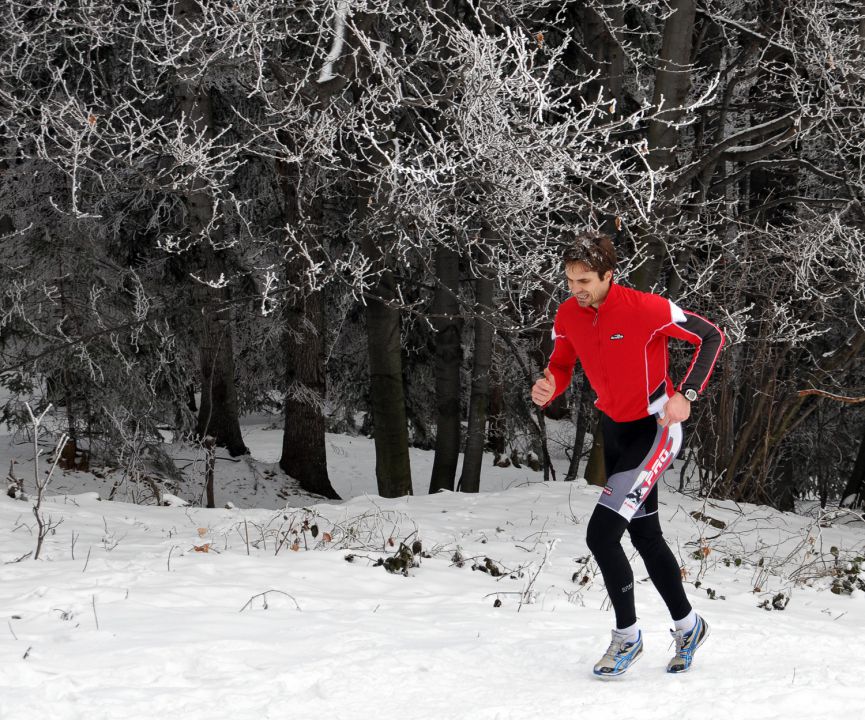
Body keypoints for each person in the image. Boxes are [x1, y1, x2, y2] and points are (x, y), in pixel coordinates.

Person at [531, 231, 724, 678]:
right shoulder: (567, 314)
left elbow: (710, 336)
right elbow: (561, 365)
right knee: (644, 536)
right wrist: (550, 386)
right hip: (615, 431)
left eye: (583, 281)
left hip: (656, 428)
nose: (574, 290)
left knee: (601, 535)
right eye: (569, 280)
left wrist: (688, 394)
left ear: (608, 276)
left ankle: (627, 636)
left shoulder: (645, 309)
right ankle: (689, 626)